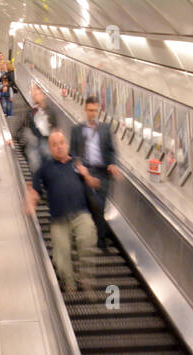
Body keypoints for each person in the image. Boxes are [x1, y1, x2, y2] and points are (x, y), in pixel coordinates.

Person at [25, 130, 99, 298]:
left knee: (88, 239)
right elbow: (34, 189)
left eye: (61, 143)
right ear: (50, 149)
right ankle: (69, 283)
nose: (59, 147)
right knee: (61, 254)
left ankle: (86, 281)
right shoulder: (45, 168)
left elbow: (95, 184)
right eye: (54, 144)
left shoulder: (79, 163)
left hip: (81, 214)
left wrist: (86, 175)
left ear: (67, 145)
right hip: (58, 219)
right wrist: (31, 202)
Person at [69, 95, 121, 250]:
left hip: (102, 172)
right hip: (83, 171)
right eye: (90, 110)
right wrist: (78, 165)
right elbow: (73, 152)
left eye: (95, 110)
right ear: (85, 109)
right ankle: (83, 236)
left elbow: (111, 151)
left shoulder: (105, 129)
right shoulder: (77, 130)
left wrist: (112, 164)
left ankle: (100, 239)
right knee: (85, 204)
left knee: (99, 205)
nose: (93, 113)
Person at [22, 84, 56, 173]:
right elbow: (24, 128)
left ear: (43, 95)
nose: (35, 97)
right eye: (34, 95)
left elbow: (54, 127)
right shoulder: (30, 112)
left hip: (46, 141)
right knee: (34, 162)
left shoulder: (49, 111)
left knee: (47, 157)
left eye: (38, 94)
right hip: (34, 142)